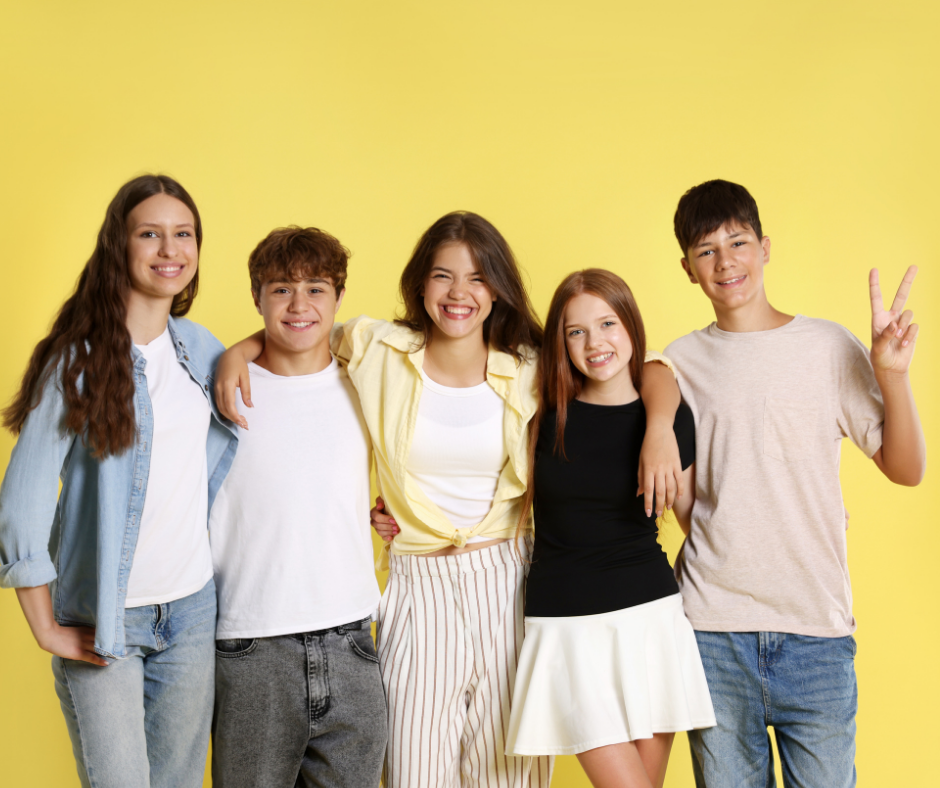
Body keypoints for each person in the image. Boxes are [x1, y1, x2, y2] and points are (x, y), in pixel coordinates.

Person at [216, 211, 683, 788]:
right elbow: (301, 327)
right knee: (416, 771)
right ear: (420, 285)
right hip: (417, 585)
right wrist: (237, 351)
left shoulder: (534, 363)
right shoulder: (377, 348)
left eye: (477, 278)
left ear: (497, 290)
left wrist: (660, 424)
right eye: (442, 276)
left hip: (510, 580)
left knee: (509, 775)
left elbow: (651, 362)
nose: (459, 293)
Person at [663, 180, 926, 788]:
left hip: (816, 632)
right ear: (687, 269)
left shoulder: (828, 346)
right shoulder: (679, 363)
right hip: (712, 630)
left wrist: (892, 376)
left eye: (738, 241)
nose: (725, 261)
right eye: (706, 251)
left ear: (765, 247)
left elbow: (906, 468)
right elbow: (689, 498)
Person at [0, 174, 237, 788]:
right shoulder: (77, 361)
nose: (170, 250)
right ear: (119, 246)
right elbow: (21, 502)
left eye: (183, 235)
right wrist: (45, 625)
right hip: (106, 619)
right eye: (150, 234)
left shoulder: (202, 349)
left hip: (191, 612)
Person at [504, 269, 715, 788]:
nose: (595, 342)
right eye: (576, 331)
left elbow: (694, 518)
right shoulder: (540, 416)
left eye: (607, 324)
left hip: (650, 620)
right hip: (565, 626)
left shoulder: (669, 417)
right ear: (562, 344)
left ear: (630, 325)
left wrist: (660, 425)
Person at [209, 226, 386, 787]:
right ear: (257, 297)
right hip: (252, 646)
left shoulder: (365, 383)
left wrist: (378, 517)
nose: (299, 304)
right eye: (281, 289)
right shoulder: (222, 388)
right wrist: (237, 350)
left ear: (338, 298)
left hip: (353, 639)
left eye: (316, 288)